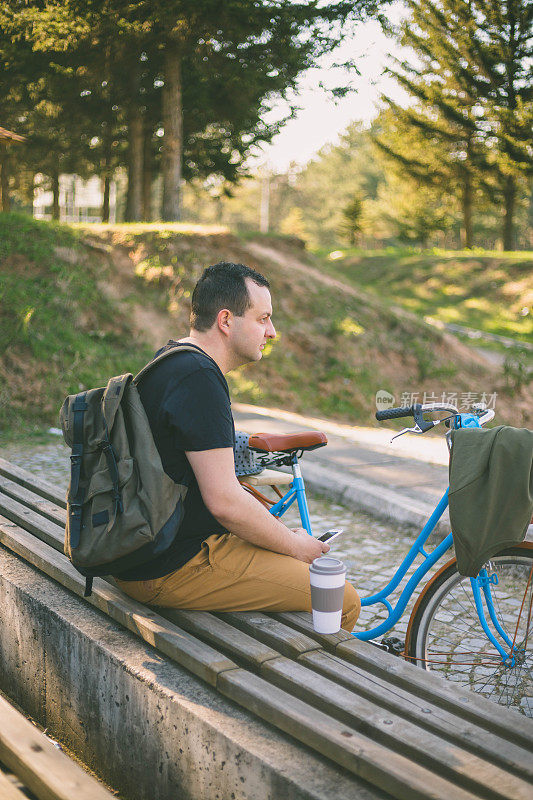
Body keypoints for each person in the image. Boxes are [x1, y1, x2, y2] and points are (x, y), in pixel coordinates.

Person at [115, 261, 360, 631]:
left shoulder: (173, 359)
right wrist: (296, 547)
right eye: (263, 319)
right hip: (171, 566)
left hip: (144, 552)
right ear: (227, 321)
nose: (272, 332)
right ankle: (307, 687)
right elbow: (225, 502)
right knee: (342, 599)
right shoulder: (199, 380)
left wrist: (283, 538)